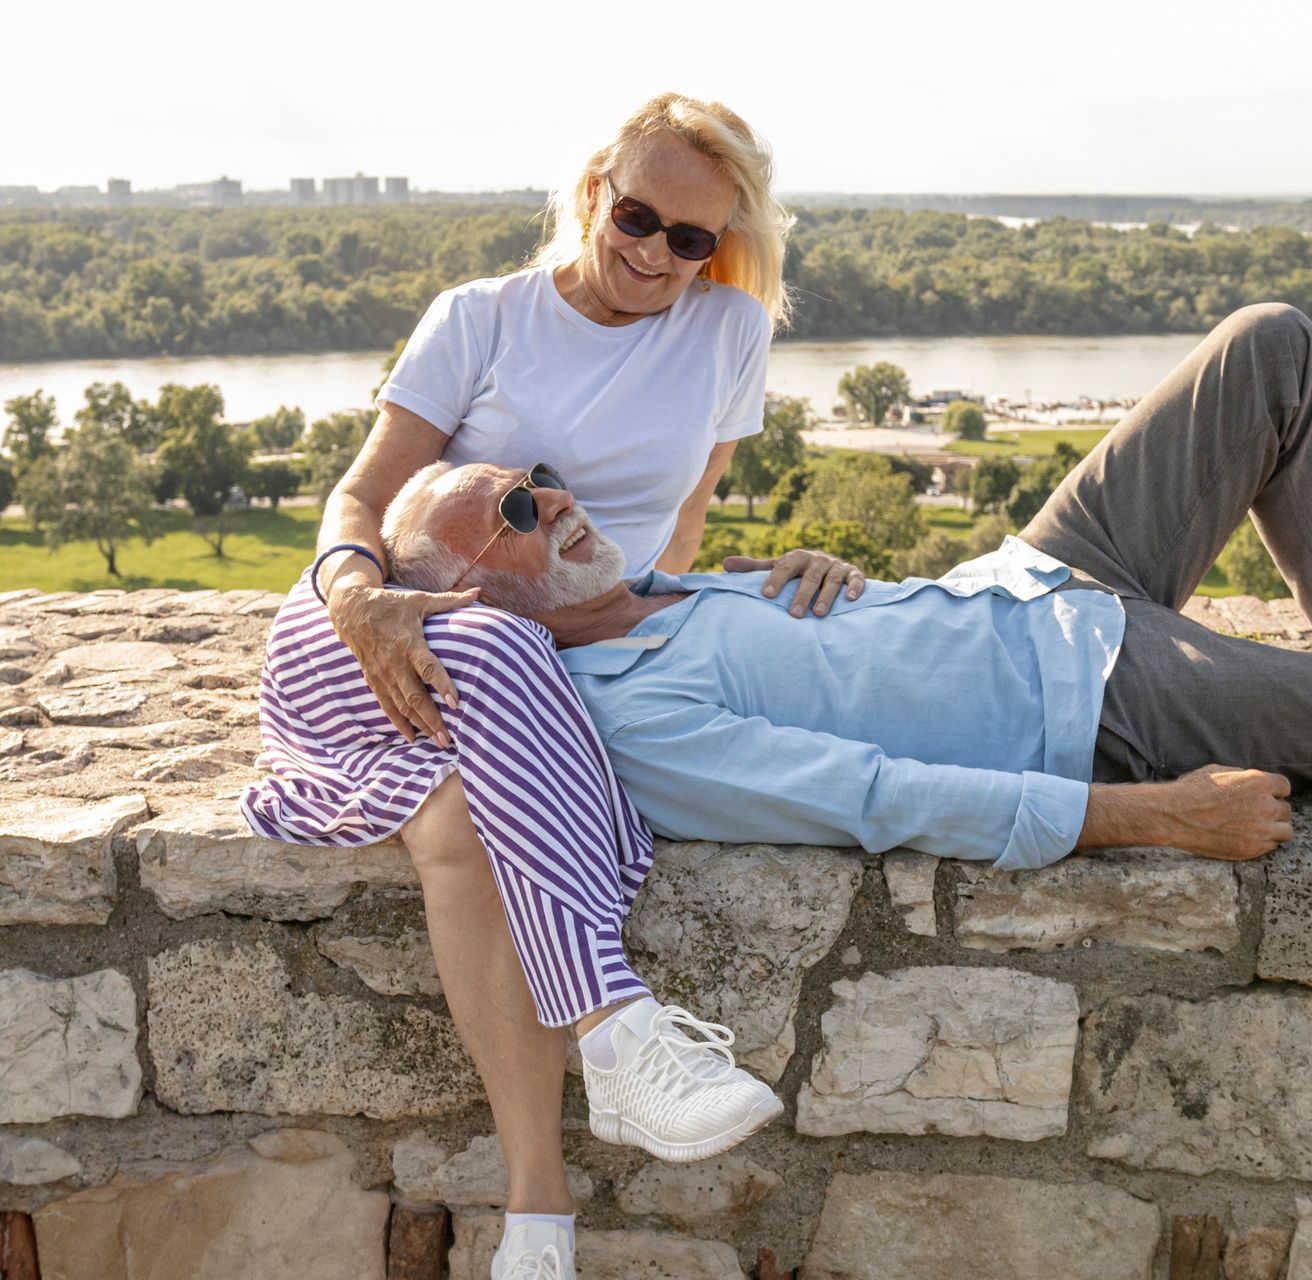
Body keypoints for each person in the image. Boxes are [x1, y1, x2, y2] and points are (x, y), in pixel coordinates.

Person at [371, 303, 1312, 896]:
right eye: (514, 505)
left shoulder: (646, 592)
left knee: (1267, 350)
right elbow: (874, 792)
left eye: (539, 478)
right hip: (1097, 700)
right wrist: (1160, 818)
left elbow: (841, 651)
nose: (553, 493)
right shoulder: (632, 719)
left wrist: (829, 579)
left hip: (1036, 584)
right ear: (467, 611)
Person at [245, 93, 866, 1280]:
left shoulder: (728, 330)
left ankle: (538, 1222)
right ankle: (616, 1029)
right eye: (639, 217)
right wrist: (356, 597)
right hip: (391, 619)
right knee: (487, 639)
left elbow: (675, 529)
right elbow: (364, 497)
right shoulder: (481, 318)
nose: (657, 254)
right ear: (595, 192)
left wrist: (723, 589)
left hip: (556, 645)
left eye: (693, 238)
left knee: (458, 816)